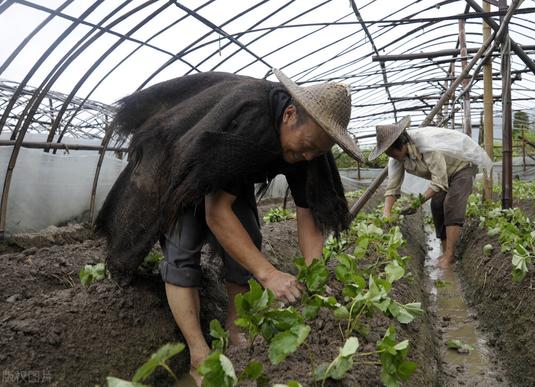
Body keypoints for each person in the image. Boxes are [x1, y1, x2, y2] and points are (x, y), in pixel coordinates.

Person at [95, 69, 363, 383]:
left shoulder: (313, 145)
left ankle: (237, 336)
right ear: (290, 115)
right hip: (177, 161)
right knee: (183, 249)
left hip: (227, 168)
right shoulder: (250, 119)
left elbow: (308, 213)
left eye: (316, 151)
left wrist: (313, 273)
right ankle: (198, 353)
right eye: (305, 146)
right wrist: (270, 273)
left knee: (248, 240)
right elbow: (216, 214)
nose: (307, 155)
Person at [368, 116, 491, 268]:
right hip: (444, 173)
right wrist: (386, 214)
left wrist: (417, 202)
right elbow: (393, 186)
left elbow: (439, 181)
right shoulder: (396, 158)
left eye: (391, 152)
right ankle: (445, 250)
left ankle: (450, 256)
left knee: (451, 205)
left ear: (400, 144)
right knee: (437, 204)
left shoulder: (426, 146)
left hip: (462, 167)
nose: (390, 156)